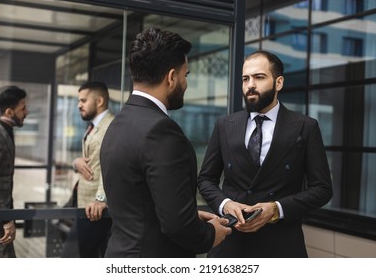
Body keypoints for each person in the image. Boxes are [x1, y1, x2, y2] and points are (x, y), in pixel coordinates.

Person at [100, 27, 231, 258]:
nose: (185, 83)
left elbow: (138, 203)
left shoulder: (118, 123)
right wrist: (210, 235)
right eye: (185, 75)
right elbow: (176, 224)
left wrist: (191, 216)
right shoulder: (161, 131)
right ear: (171, 77)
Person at [197, 50, 333, 258]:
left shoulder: (305, 127)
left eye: (259, 77)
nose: (250, 84)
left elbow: (322, 189)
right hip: (231, 242)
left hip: (281, 245)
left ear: (278, 83)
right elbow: (206, 179)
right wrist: (225, 204)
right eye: (245, 79)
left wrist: (277, 209)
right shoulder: (225, 125)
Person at [61, 81, 114, 258]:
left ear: (99, 101)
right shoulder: (94, 126)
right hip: (85, 204)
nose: (79, 105)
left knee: (70, 257)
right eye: (79, 101)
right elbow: (93, 159)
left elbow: (112, 166)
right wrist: (76, 162)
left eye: (83, 101)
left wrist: (101, 199)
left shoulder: (111, 126)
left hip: (96, 209)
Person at [0, 85, 28, 258]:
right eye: (23, 108)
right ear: (9, 112)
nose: (26, 112)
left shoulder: (4, 130)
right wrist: (5, 219)